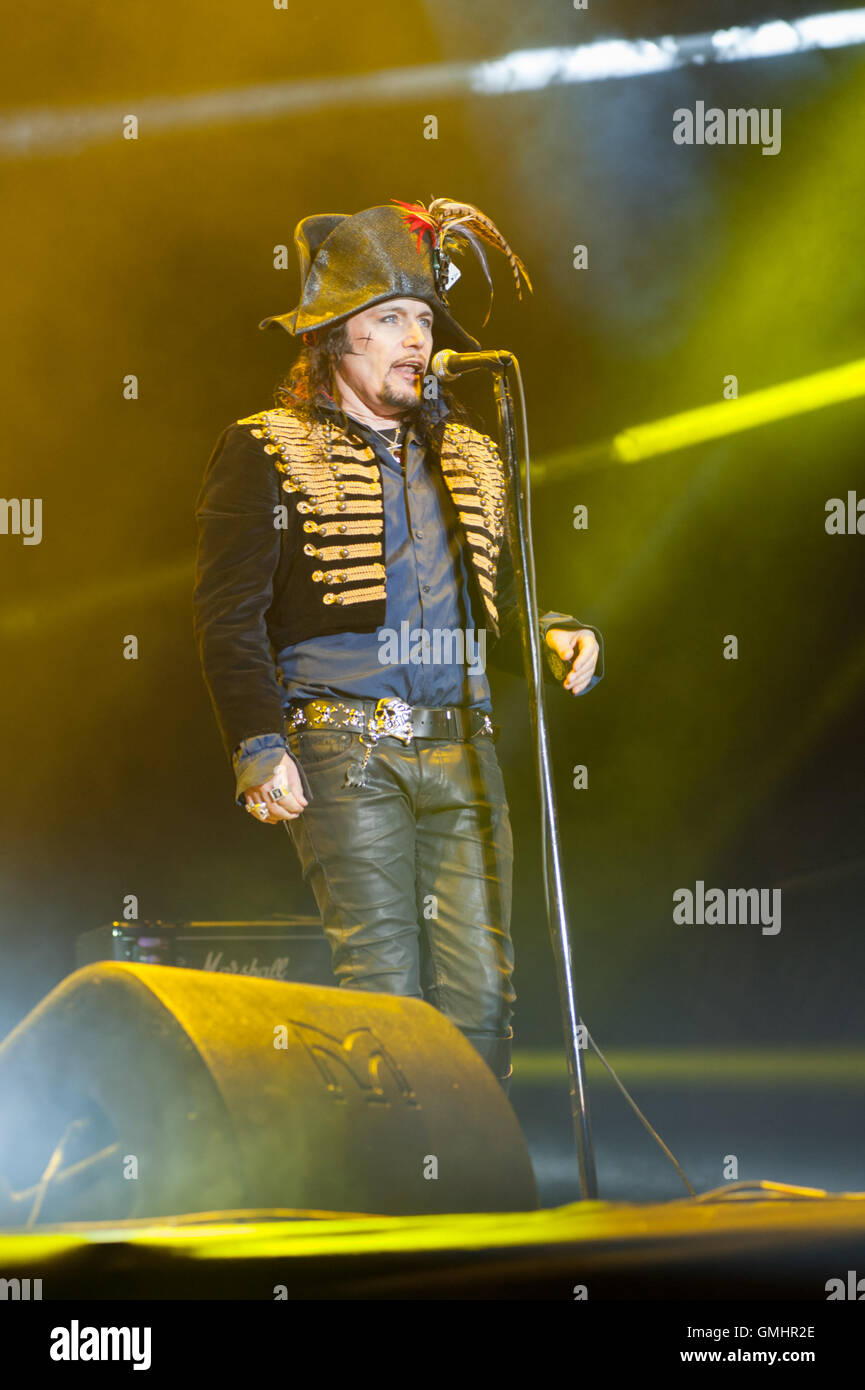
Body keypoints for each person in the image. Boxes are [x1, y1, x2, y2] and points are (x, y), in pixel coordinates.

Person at [193, 198, 603, 1095]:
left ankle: (463, 1201)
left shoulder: (472, 454)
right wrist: (259, 746)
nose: (414, 339)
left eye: (421, 319)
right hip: (344, 748)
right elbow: (227, 616)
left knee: (481, 998)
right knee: (383, 994)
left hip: (464, 745)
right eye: (389, 320)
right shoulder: (267, 450)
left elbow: (499, 602)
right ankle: (393, 1217)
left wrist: (553, 633)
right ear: (334, 339)